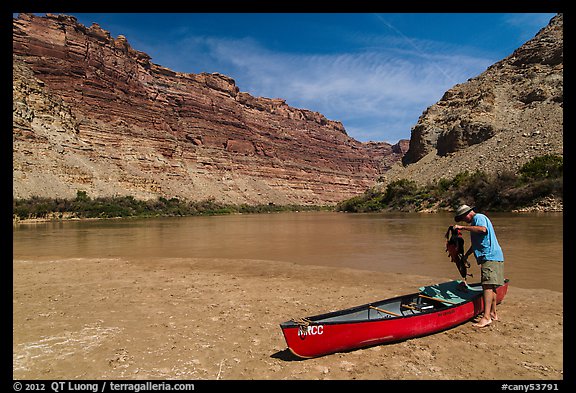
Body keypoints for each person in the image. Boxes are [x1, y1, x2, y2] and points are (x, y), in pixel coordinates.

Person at [453, 204, 504, 328]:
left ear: (467, 214)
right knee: (492, 286)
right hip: (494, 256)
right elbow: (476, 243)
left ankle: (486, 317)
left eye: (463, 218)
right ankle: (493, 313)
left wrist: (462, 228)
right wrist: (466, 255)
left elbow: (482, 230)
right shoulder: (476, 222)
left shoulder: (478, 218)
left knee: (486, 285)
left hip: (490, 256)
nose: (464, 220)